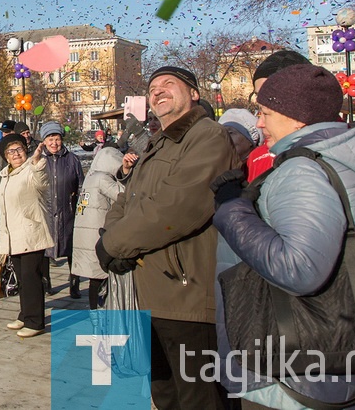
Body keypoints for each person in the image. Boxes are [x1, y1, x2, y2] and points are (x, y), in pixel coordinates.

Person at [212, 64, 355, 409]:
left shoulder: (303, 170)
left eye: (266, 113)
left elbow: (300, 268)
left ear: (297, 119)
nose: (261, 123)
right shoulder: (334, 161)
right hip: (330, 355)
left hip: (293, 374)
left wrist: (232, 209)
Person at [97, 66, 237, 410]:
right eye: (153, 87)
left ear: (193, 93)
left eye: (168, 85)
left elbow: (176, 207)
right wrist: (106, 235)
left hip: (186, 294)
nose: (157, 91)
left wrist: (114, 244)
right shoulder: (157, 142)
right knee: (163, 393)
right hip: (149, 292)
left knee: (198, 399)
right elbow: (126, 199)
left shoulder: (208, 137)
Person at [0, 133, 51, 338]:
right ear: (6, 156)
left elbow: (41, 182)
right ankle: (25, 314)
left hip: (30, 232)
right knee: (21, 278)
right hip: (13, 235)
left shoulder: (31, 169)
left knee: (31, 278)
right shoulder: (6, 174)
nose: (16, 154)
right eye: (11, 151)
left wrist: (37, 163)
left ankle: (36, 322)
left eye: (19, 149)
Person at [245, 50, 311, 182]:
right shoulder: (257, 157)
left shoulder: (335, 153)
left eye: (272, 97)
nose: (260, 123)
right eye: (260, 95)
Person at [71, 146, 125, 309]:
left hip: (85, 236)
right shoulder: (103, 178)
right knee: (100, 277)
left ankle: (95, 312)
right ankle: (99, 313)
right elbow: (123, 195)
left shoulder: (91, 177)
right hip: (97, 234)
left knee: (95, 277)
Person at [38, 120, 83, 299]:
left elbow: (80, 185)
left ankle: (74, 283)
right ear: (44, 141)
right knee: (44, 250)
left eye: (57, 139)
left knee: (72, 249)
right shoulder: (40, 160)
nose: (54, 143)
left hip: (68, 211)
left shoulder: (72, 159)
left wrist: (80, 207)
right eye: (50, 139)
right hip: (45, 212)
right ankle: (45, 282)